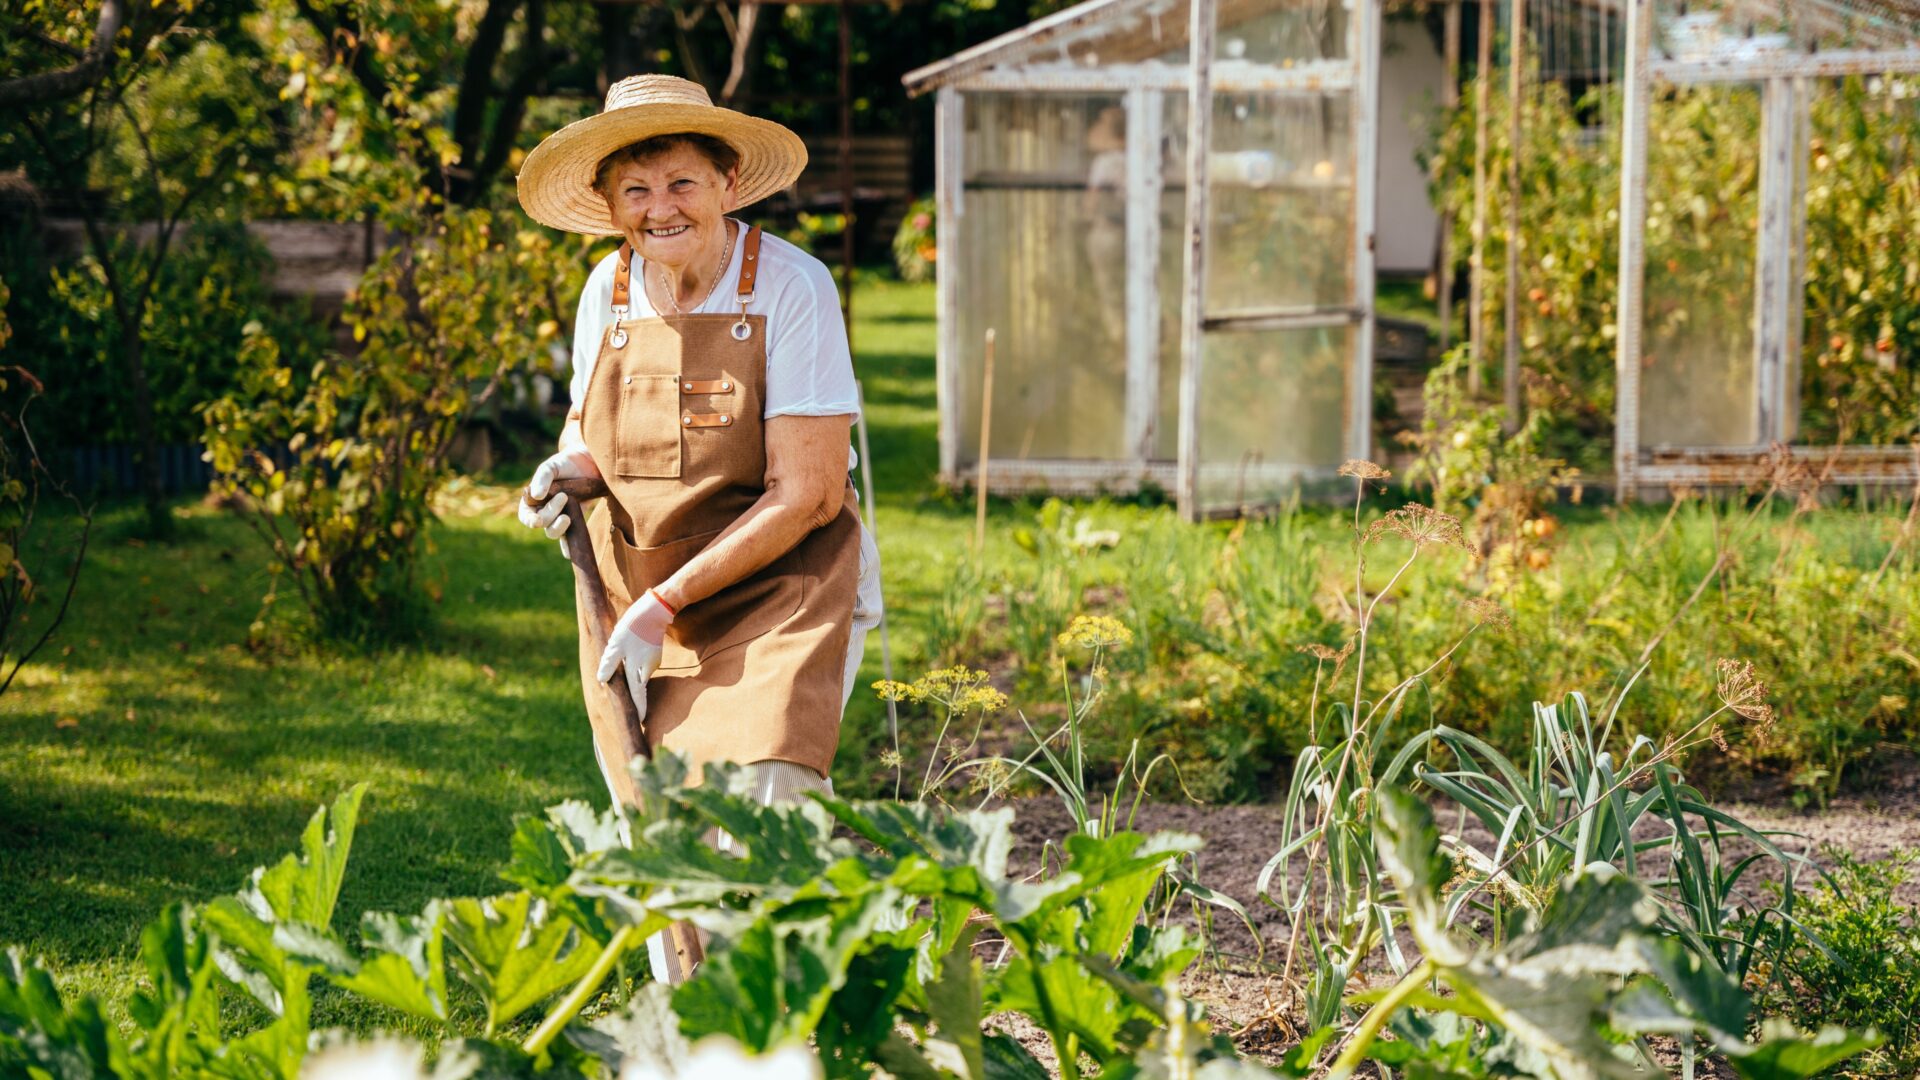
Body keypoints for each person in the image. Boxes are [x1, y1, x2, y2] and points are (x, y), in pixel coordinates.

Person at [513, 75, 883, 980]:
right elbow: (589, 427)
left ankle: (776, 1036)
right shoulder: (607, 288)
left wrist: (668, 602)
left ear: (726, 181)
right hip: (637, 596)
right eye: (635, 191)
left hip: (780, 594)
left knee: (758, 823)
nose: (660, 209)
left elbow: (808, 493)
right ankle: (688, 1042)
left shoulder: (793, 287)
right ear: (608, 206)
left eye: (681, 182)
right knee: (660, 841)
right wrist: (563, 471)